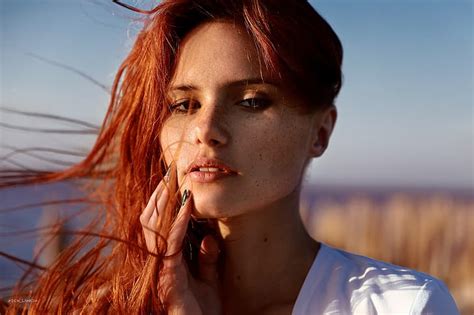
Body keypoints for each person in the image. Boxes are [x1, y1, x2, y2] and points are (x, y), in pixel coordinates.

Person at [2, 0, 459, 314]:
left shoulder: (401, 305)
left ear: (320, 131)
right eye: (184, 105)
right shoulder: (106, 306)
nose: (205, 130)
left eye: (252, 101)